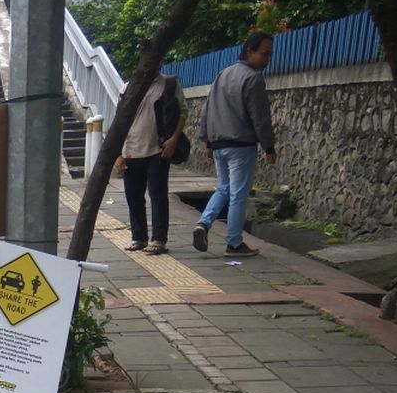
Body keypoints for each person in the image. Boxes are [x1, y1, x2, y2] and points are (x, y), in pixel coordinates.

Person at [193, 31, 277, 257]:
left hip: (219, 144)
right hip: (241, 145)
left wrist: (207, 140)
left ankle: (203, 222)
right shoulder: (253, 78)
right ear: (249, 51)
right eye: (264, 54)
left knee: (223, 188)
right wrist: (269, 146)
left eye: (270, 55)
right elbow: (260, 117)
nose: (267, 59)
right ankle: (234, 243)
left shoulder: (223, 74)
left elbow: (207, 109)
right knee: (239, 194)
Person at [115, 65, 187, 255]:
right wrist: (118, 153)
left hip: (158, 149)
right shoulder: (128, 88)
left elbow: (182, 112)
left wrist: (174, 139)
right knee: (133, 196)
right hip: (131, 149)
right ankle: (139, 237)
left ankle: (158, 239)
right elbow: (119, 120)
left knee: (158, 194)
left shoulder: (168, 84)